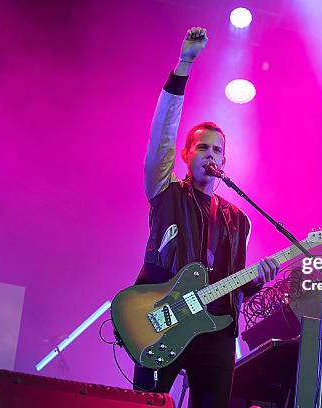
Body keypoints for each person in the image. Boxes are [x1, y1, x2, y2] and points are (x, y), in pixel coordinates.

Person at [132, 27, 280, 407]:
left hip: (217, 331)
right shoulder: (166, 193)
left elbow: (235, 282)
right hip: (161, 319)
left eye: (217, 150)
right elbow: (160, 138)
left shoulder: (237, 220)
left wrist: (256, 282)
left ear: (225, 161)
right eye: (202, 147)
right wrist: (183, 65)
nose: (210, 154)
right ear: (186, 155)